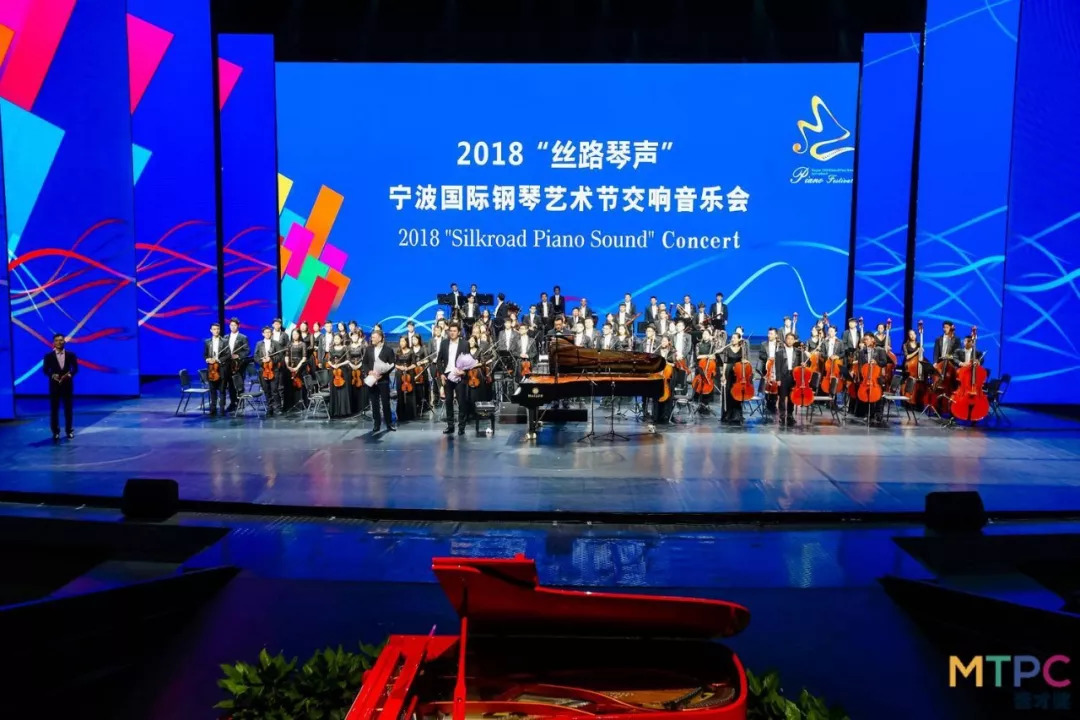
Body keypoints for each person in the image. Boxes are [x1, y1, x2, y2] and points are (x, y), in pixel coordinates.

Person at [44, 333, 77, 440]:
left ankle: (69, 431)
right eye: (57, 340)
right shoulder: (48, 356)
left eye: (61, 340)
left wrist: (69, 375)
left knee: (68, 409)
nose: (59, 342)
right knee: (54, 410)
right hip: (54, 386)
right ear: (54, 342)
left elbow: (75, 369)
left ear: (64, 341)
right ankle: (55, 432)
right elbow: (45, 370)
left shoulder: (71, 355)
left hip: (67, 385)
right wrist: (52, 375)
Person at [438, 322, 470, 436]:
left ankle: (461, 427)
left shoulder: (465, 344)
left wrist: (464, 372)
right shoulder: (444, 343)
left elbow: (468, 360)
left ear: (459, 332)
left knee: (461, 402)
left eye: (454, 331)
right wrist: (442, 374)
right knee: (448, 401)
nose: (452, 333)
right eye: (450, 331)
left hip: (459, 376)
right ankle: (450, 426)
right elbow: (439, 360)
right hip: (447, 375)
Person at [363, 328, 396, 432]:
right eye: (371, 337)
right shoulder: (368, 349)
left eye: (373, 337)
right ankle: (376, 424)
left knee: (386, 403)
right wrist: (369, 371)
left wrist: (383, 374)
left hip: (383, 380)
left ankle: (389, 423)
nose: (371, 339)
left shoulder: (388, 350)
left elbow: (392, 364)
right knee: (374, 403)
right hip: (372, 380)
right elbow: (365, 363)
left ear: (380, 338)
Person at [253, 326, 283, 415]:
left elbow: (280, 355)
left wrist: (271, 360)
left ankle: (277, 407)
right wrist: (262, 361)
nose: (267, 334)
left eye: (269, 332)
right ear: (263, 334)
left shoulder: (276, 343)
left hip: (274, 369)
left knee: (274, 390)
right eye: (266, 332)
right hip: (263, 370)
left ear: (271, 333)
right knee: (266, 390)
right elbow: (255, 356)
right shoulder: (259, 344)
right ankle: (269, 407)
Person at [776, 332, 803, 426]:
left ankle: (790, 415)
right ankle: (782, 416)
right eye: (788, 339)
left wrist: (804, 364)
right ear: (785, 340)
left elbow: (803, 364)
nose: (790, 341)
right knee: (782, 397)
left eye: (792, 339)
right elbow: (777, 367)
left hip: (794, 377)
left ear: (794, 341)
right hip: (783, 377)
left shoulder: (798, 352)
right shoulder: (779, 352)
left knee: (792, 397)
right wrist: (778, 379)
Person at [720, 332, 747, 424]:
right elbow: (725, 363)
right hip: (729, 372)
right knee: (728, 393)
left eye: (735, 338)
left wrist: (744, 361)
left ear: (739, 339)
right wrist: (723, 375)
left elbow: (745, 361)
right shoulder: (727, 349)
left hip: (738, 374)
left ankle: (737, 415)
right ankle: (727, 414)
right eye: (732, 337)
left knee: (737, 393)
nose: (733, 339)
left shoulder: (742, 349)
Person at [224, 317, 249, 412]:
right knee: (230, 384)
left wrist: (238, 355)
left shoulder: (243, 337)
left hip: (238, 365)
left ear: (238, 326)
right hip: (228, 365)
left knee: (239, 384)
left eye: (234, 325)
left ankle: (240, 403)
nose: (233, 327)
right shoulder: (226, 337)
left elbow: (247, 351)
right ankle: (232, 403)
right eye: (231, 325)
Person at [204, 322, 227, 415]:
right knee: (212, 390)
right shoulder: (207, 342)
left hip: (221, 369)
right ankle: (213, 409)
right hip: (211, 369)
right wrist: (207, 359)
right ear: (211, 330)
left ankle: (222, 409)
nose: (216, 331)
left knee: (222, 390)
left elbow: (228, 354)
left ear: (219, 330)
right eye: (214, 329)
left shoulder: (224, 341)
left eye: (217, 329)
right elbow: (205, 354)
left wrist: (218, 360)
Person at [327, 334, 352, 418]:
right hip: (333, 371)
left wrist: (339, 364)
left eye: (338, 339)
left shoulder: (345, 348)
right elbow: (329, 360)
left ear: (341, 340)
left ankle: (344, 411)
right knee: (334, 391)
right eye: (335, 339)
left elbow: (348, 360)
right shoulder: (331, 348)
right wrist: (333, 365)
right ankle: (334, 411)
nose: (336, 340)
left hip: (343, 371)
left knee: (343, 391)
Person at [394, 336, 416, 423]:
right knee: (400, 393)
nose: (401, 343)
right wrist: (400, 367)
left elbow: (414, 364)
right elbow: (394, 363)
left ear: (406, 342)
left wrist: (407, 368)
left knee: (410, 394)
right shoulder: (398, 351)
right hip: (400, 374)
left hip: (409, 374)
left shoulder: (411, 351)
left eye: (403, 341)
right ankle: (401, 414)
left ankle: (410, 414)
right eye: (400, 341)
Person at [759, 328, 780, 414]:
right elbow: (761, 355)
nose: (769, 335)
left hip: (777, 368)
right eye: (768, 333)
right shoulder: (763, 344)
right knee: (767, 387)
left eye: (771, 334)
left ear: (776, 335)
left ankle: (773, 404)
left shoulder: (780, 345)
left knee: (775, 387)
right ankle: (767, 404)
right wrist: (768, 358)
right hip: (767, 368)